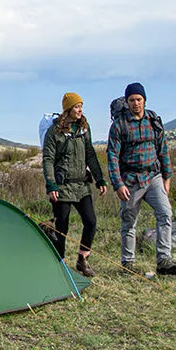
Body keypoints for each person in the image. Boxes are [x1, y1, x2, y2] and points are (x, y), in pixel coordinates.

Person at [107, 82, 176, 275]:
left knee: (165, 214)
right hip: (130, 180)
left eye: (139, 99)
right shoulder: (119, 125)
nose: (136, 103)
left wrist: (167, 178)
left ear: (144, 100)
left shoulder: (154, 121)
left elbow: (163, 150)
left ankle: (164, 261)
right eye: (132, 100)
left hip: (154, 177)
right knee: (129, 222)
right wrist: (118, 184)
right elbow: (112, 156)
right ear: (127, 101)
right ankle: (128, 263)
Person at [42, 92, 107, 277]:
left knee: (91, 222)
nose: (80, 110)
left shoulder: (84, 128)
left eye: (81, 107)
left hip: (81, 185)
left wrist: (99, 178)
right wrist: (51, 184)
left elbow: (91, 154)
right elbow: (47, 159)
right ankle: (59, 264)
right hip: (62, 186)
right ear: (68, 109)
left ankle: (82, 259)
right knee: (62, 227)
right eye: (77, 107)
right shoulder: (54, 132)